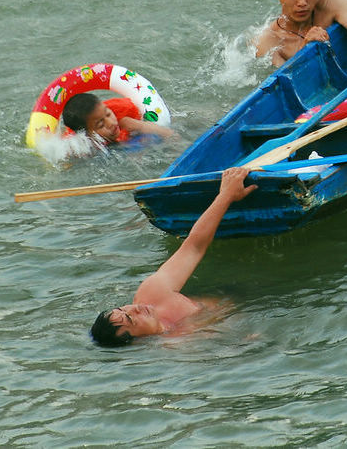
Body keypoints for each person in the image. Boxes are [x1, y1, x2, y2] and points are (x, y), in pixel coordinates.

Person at [90, 167, 256, 347]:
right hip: (252, 313)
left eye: (123, 309)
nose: (135, 308)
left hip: (234, 292)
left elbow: (194, 247)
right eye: (131, 319)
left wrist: (226, 195)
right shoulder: (178, 345)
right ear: (137, 341)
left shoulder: (152, 293)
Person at [62, 93, 177, 146]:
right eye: (101, 125)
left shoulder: (126, 122)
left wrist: (175, 144)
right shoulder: (82, 145)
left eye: (108, 114)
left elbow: (169, 134)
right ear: (86, 134)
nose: (111, 123)